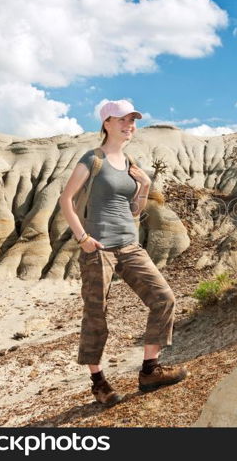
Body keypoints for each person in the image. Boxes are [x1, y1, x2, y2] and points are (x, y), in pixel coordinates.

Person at [59, 99, 187, 406]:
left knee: (163, 298)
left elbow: (133, 212)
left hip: (129, 245)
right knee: (96, 315)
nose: (129, 125)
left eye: (132, 120)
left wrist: (142, 186)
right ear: (106, 123)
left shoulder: (130, 163)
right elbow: (66, 200)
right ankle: (99, 382)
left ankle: (150, 371)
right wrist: (84, 238)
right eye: (122, 120)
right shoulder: (92, 159)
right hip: (98, 248)